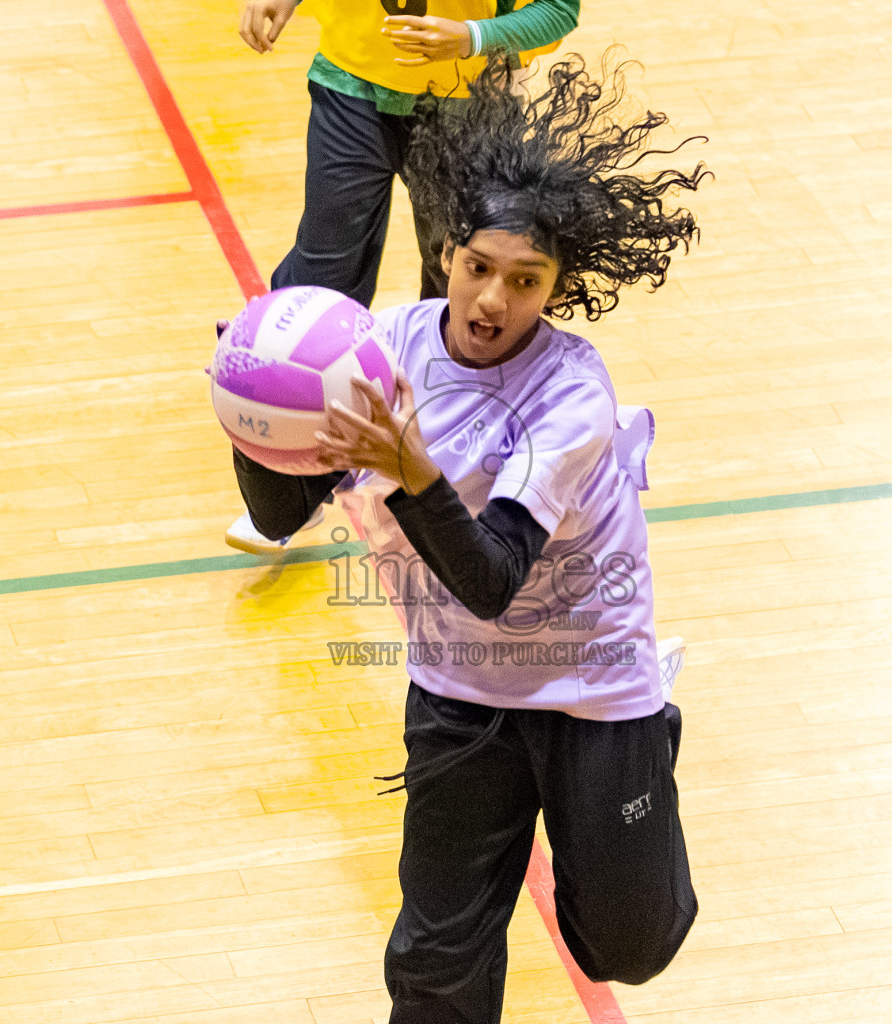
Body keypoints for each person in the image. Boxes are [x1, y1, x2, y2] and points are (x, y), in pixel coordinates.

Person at [230, 52, 708, 1021]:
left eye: (524, 279)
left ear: (557, 285)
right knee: (433, 957)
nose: (493, 298)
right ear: (447, 250)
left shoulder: (571, 393)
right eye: (478, 266)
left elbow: (490, 576)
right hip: (458, 689)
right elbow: (282, 514)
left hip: (593, 689)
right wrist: (249, 416)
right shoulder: (382, 351)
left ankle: (655, 738)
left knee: (628, 943)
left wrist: (412, 471)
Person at [227, 0, 580, 555]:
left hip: (468, 104)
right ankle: (300, 482)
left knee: (455, 294)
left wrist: (472, 36)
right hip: (351, 84)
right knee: (319, 281)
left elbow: (558, 10)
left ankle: (443, 480)